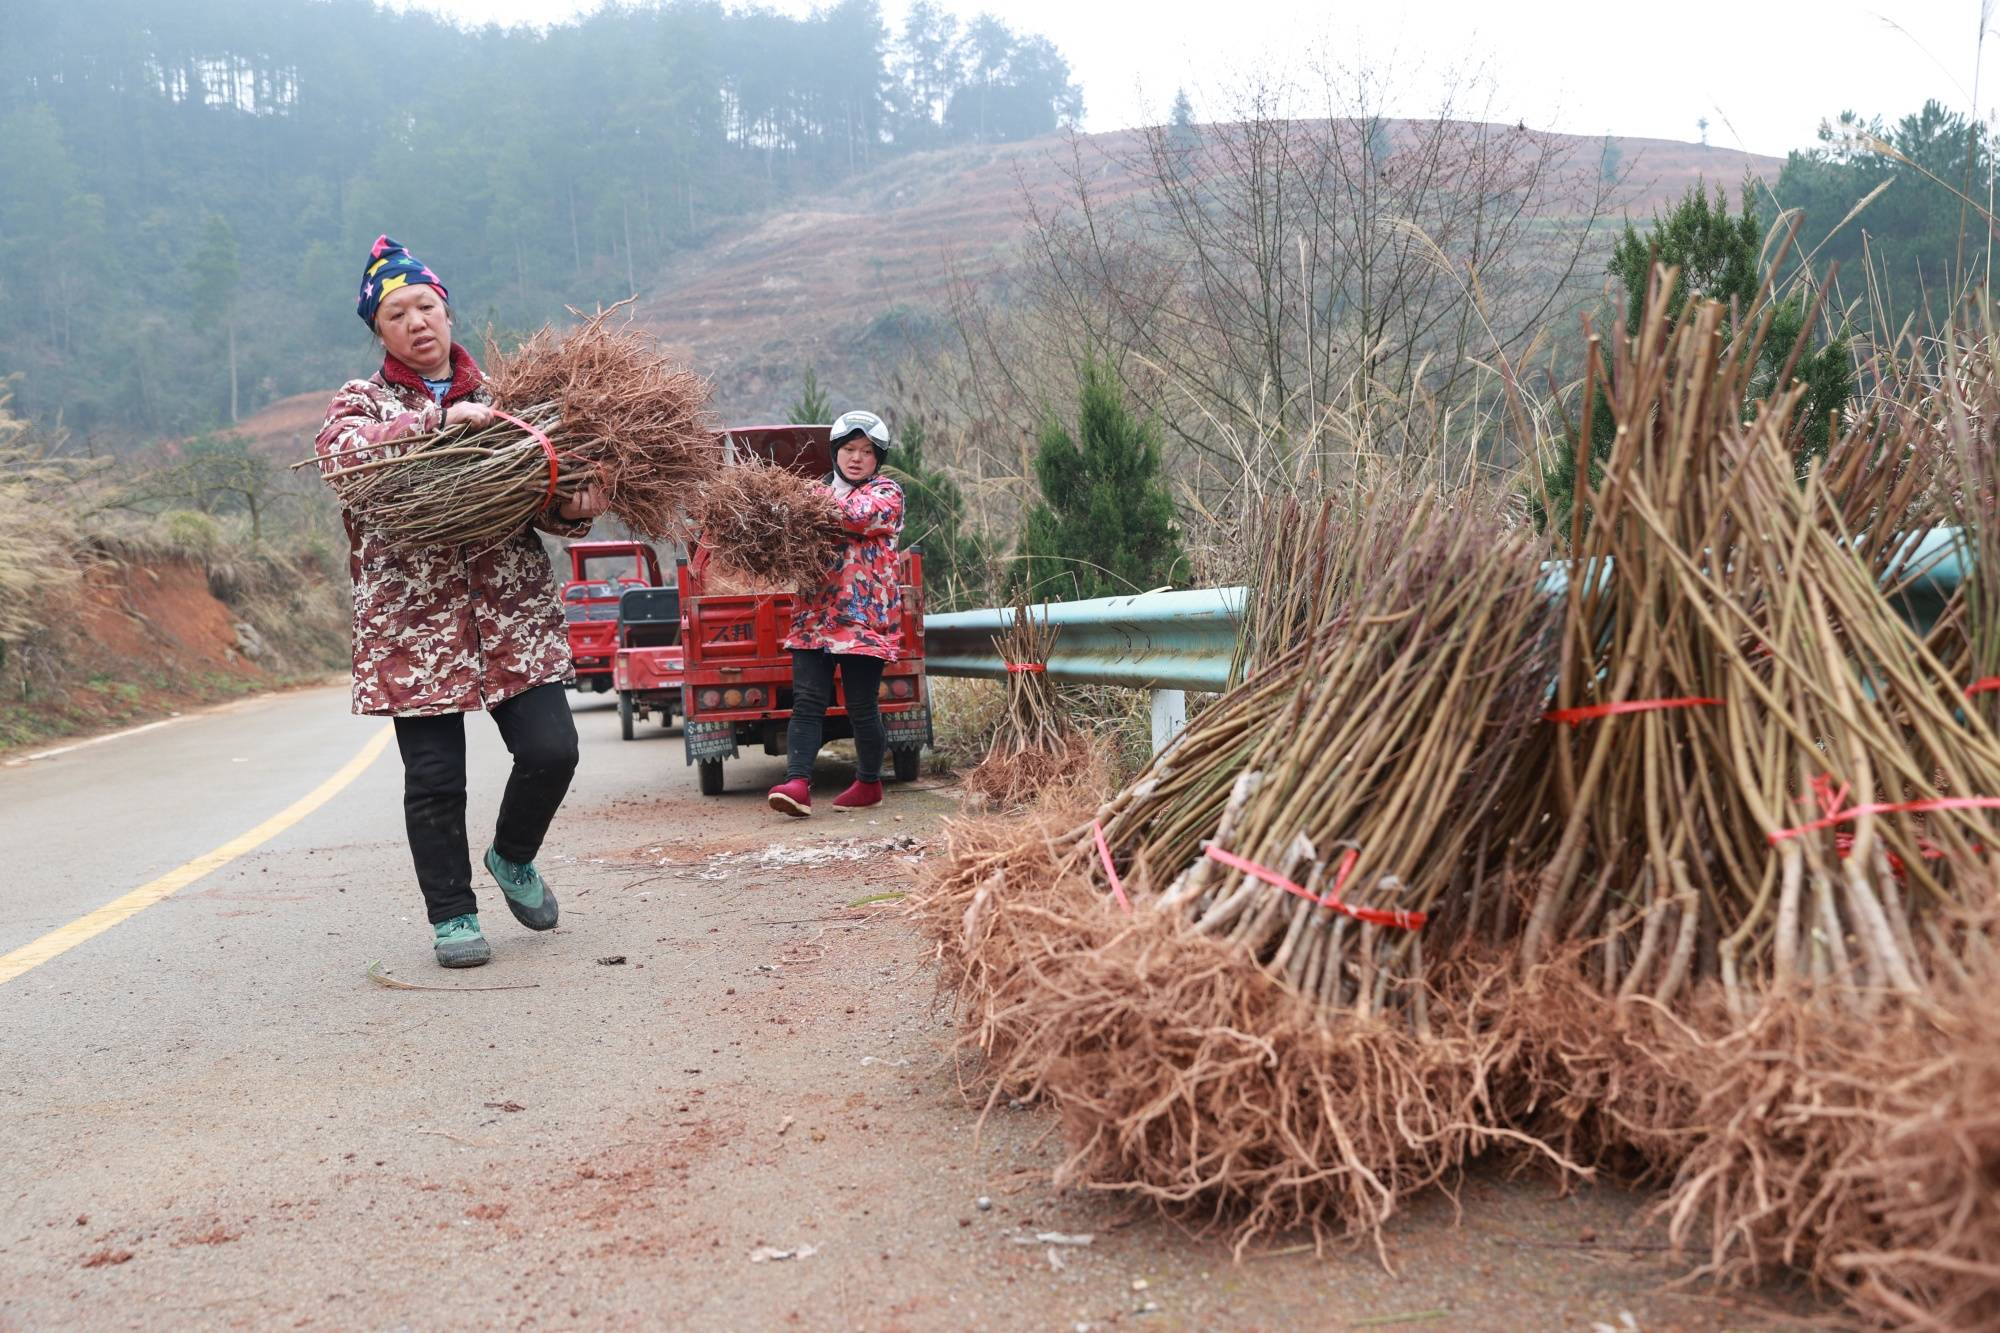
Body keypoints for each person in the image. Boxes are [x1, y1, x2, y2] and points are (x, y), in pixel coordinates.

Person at [314, 235, 608, 967]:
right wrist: (434, 424)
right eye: (396, 315)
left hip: (512, 618)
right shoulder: (364, 402)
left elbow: (540, 500)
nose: (416, 322)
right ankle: (452, 916)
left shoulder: (507, 400)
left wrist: (575, 507)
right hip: (414, 630)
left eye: (425, 306)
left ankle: (512, 855)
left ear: (447, 311)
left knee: (552, 751)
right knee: (436, 780)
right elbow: (342, 455)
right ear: (379, 331)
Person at [767, 410, 905, 817]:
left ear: (878, 458)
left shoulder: (887, 493)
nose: (856, 458)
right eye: (848, 449)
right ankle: (797, 784)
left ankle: (868, 783)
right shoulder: (813, 492)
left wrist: (796, 500)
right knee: (807, 701)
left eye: (866, 451)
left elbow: (855, 516)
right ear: (835, 452)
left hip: (863, 620)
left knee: (861, 705)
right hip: (813, 617)